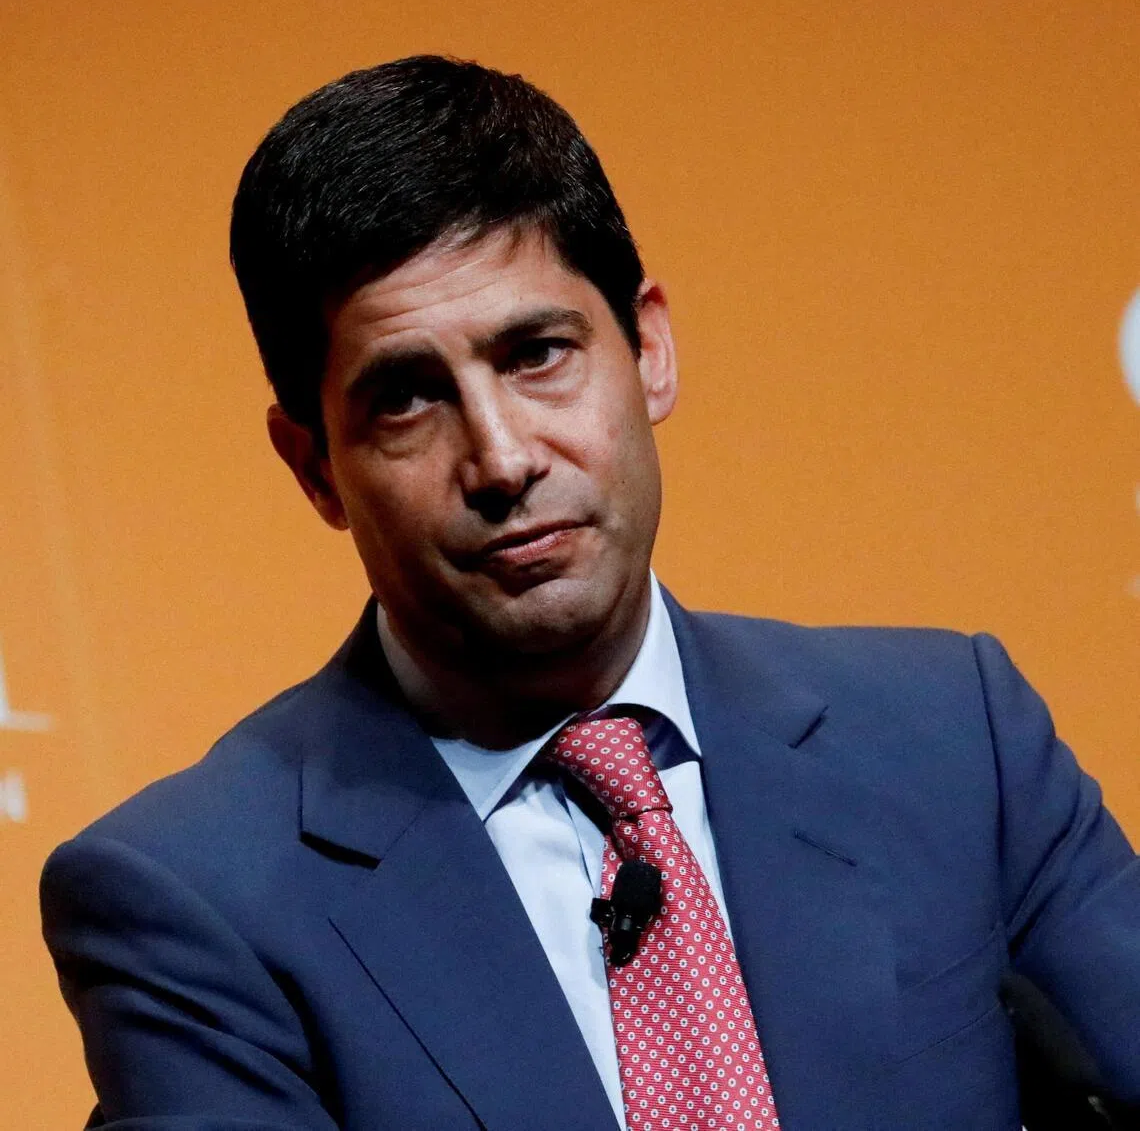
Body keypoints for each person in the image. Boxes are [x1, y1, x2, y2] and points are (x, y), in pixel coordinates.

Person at [40, 55, 1139, 1131]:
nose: (503, 457)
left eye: (537, 354)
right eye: (408, 400)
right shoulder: (194, 904)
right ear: (315, 466)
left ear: (648, 348)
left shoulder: (957, 744)